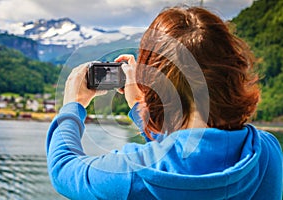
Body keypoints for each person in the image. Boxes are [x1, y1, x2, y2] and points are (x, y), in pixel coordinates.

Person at [46, 6, 282, 200]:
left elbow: (64, 169)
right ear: (233, 71)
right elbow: (190, 153)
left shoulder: (130, 174)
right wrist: (140, 104)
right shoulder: (266, 152)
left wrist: (72, 106)